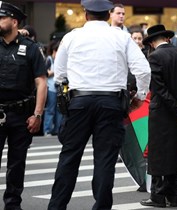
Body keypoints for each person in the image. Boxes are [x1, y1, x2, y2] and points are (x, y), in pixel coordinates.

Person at [47, 0, 151, 209]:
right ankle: (101, 206)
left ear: (85, 14)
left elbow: (59, 75)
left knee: (69, 156)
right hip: (111, 103)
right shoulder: (122, 37)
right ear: (107, 15)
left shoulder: (72, 37)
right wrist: (139, 96)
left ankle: (57, 206)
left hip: (79, 101)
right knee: (105, 159)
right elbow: (143, 70)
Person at [139, 24, 177, 208]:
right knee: (176, 153)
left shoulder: (154, 57)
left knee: (158, 154)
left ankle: (158, 196)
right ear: (167, 38)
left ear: (153, 42)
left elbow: (159, 89)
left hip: (162, 112)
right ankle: (173, 194)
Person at [0, 2, 47, 209]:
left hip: (21, 114)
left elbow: (41, 82)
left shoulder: (30, 48)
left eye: (2, 18)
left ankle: (12, 204)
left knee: (16, 164)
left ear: (14, 21)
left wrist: (37, 115)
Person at [43, 40, 63, 136]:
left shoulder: (60, 61)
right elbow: (44, 73)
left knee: (59, 110)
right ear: (54, 51)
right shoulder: (49, 59)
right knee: (50, 109)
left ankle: (57, 129)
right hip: (51, 88)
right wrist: (54, 72)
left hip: (59, 88)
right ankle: (47, 129)